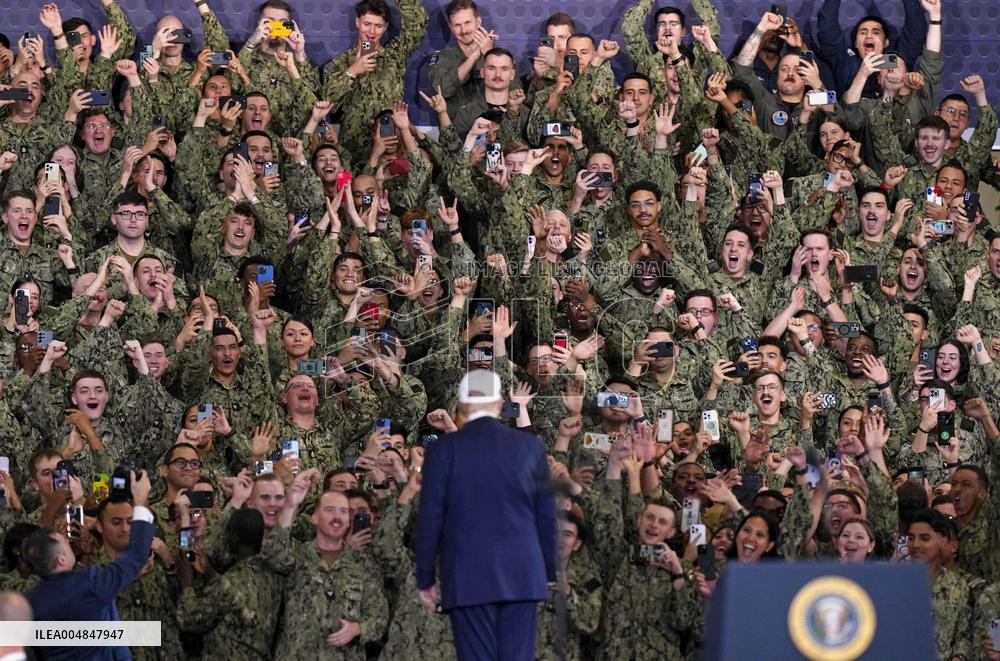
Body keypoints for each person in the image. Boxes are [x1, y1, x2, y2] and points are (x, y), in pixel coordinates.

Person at [415, 369, 557, 659]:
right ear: (499, 404)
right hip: (522, 575)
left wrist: (426, 579)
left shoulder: (442, 451)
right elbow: (546, 515)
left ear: (462, 406)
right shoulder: (529, 446)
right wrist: (549, 571)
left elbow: (430, 519)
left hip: (467, 577)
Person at [23, 470, 152, 661]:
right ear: (60, 560)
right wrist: (140, 502)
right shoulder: (90, 583)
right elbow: (137, 555)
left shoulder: (29, 603)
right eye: (64, 542)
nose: (69, 542)